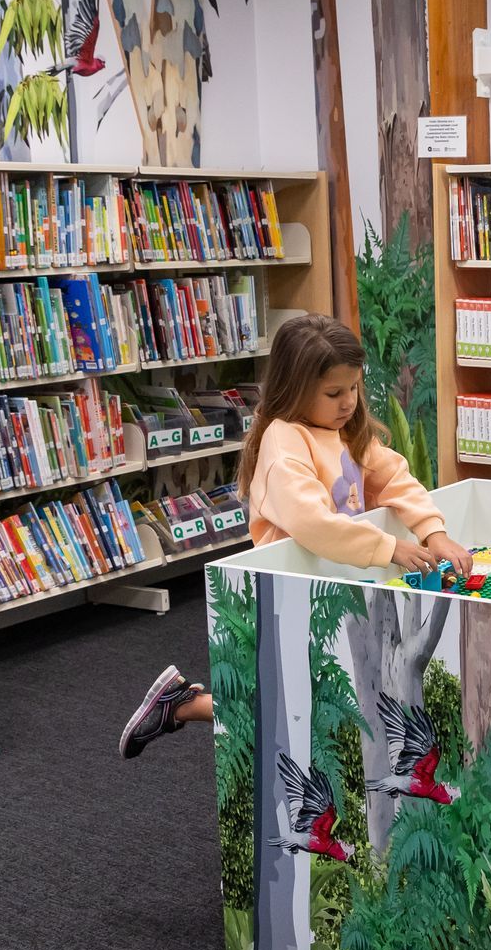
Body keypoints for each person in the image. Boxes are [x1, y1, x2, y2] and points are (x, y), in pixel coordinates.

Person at [120, 314, 471, 758]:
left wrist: (433, 532)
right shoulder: (283, 442)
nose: (348, 402)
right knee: (288, 702)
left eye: (354, 388)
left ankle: (183, 704)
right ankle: (185, 706)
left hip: (335, 582)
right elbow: (312, 524)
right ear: (295, 388)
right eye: (334, 393)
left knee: (300, 698)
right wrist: (392, 548)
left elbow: (395, 478)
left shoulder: (345, 430)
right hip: (291, 588)